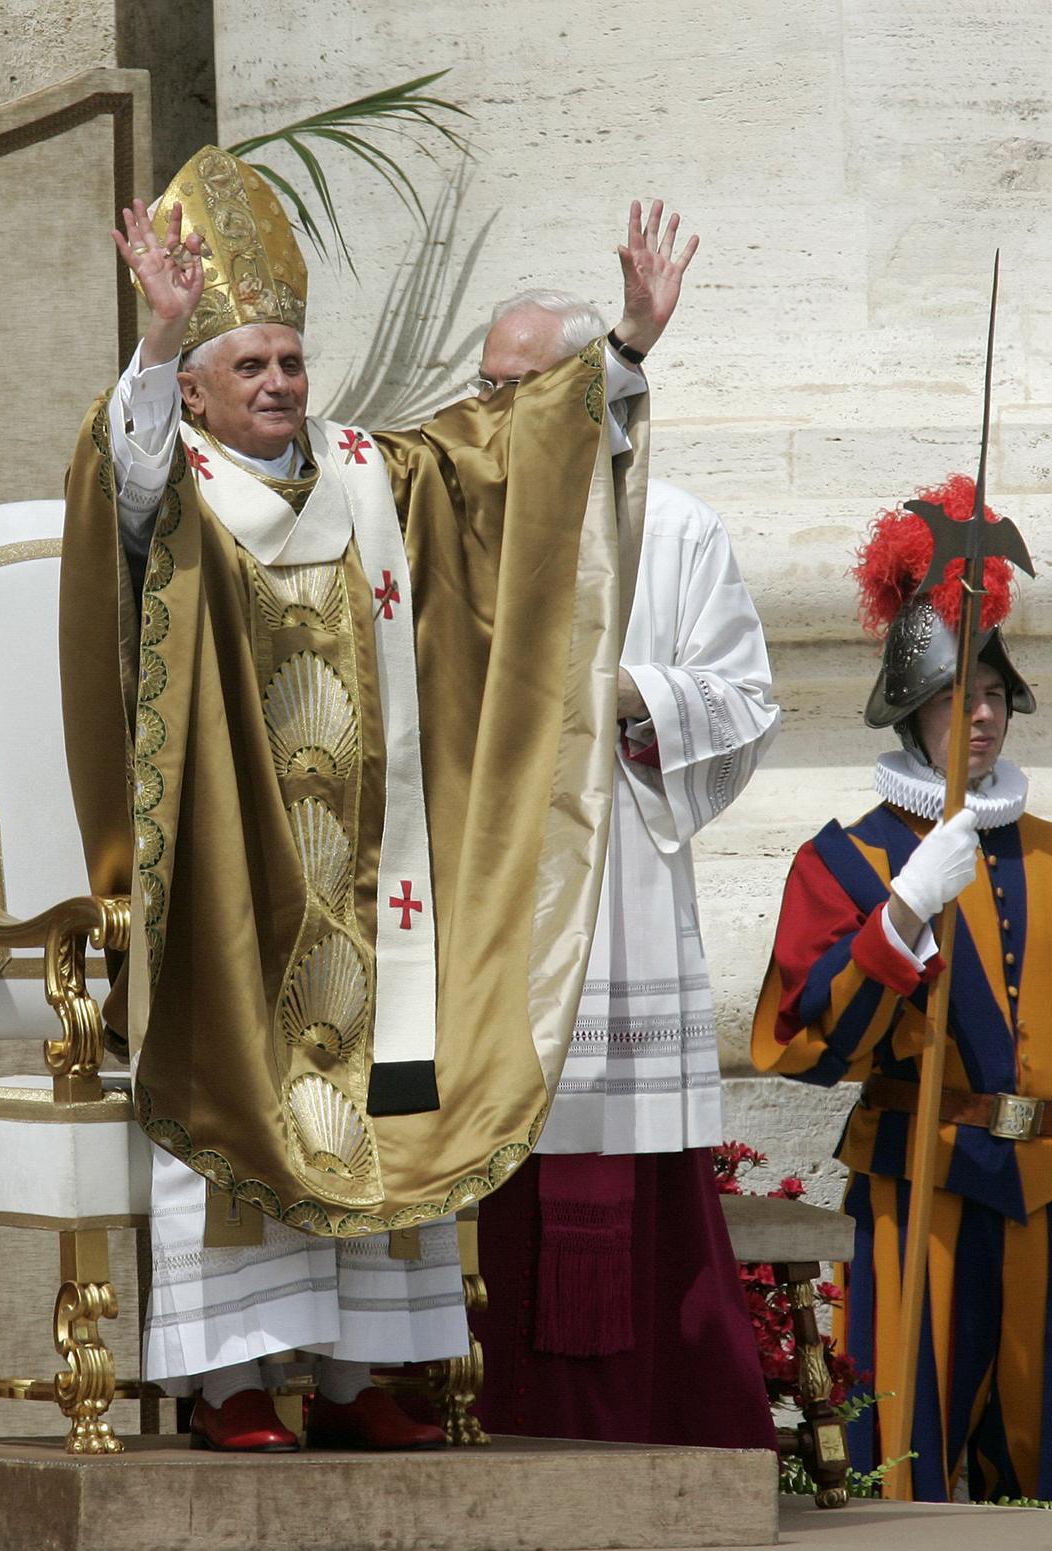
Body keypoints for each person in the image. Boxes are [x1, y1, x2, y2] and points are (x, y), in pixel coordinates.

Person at [59, 145, 694, 1451]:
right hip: (237, 872)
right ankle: (232, 1374)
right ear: (193, 389)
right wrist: (157, 335)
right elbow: (117, 488)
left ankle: (363, 1376)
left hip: (382, 872)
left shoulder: (370, 471)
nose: (283, 383)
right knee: (250, 1069)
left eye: (292, 360)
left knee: (398, 1061)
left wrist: (622, 347)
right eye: (252, 365)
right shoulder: (174, 487)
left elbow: (500, 465)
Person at [467, 288, 781, 1448]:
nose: (489, 404)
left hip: (618, 906)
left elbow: (747, 702)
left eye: (514, 385)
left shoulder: (680, 530)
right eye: (485, 382)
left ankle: (658, 1449)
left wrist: (630, 697)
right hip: (479, 911)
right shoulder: (448, 527)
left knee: (626, 1191)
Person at [752, 475, 1051, 1501]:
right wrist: (902, 915)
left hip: (1046, 1202)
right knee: (901, 1471)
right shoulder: (845, 863)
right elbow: (810, 1046)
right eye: (954, 697)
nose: (979, 716)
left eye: (994, 696)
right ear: (911, 710)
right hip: (913, 1191)